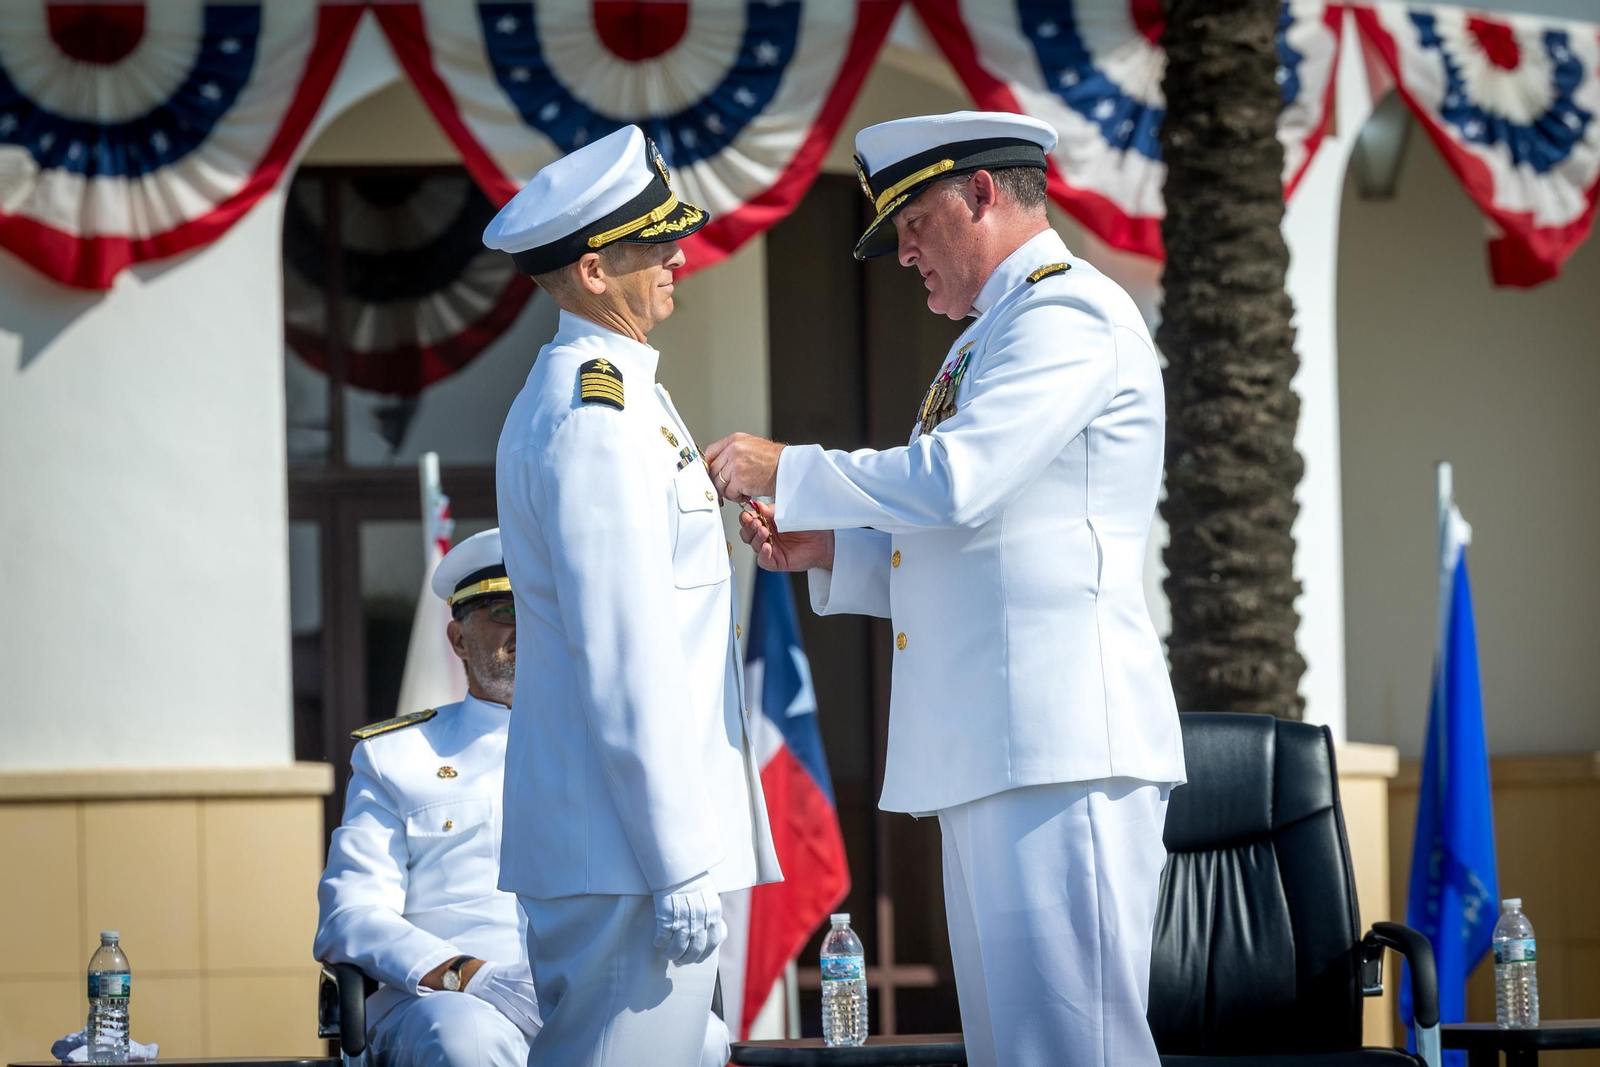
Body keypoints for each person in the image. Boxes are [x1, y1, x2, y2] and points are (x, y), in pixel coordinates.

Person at [706, 111, 1187, 1067]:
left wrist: (789, 467)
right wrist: (831, 552)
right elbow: (976, 546)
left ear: (982, 194)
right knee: (1016, 1053)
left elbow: (962, 480)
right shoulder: (993, 332)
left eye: (915, 222)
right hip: (1001, 747)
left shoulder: (1065, 313)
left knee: (1074, 1047)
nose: (904, 253)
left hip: (1059, 747)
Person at [481, 124, 781, 1067]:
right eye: (658, 243)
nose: (681, 256)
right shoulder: (596, 415)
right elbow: (624, 656)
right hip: (627, 861)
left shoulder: (618, 394)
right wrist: (674, 858)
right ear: (599, 269)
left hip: (625, 853)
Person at [314, 529, 541, 1067]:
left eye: (541, 607)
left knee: (699, 1041)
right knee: (468, 1041)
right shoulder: (398, 757)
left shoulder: (605, 747)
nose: (527, 629)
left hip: (578, 993)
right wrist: (469, 975)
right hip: (444, 999)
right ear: (460, 641)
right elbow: (350, 915)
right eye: (505, 610)